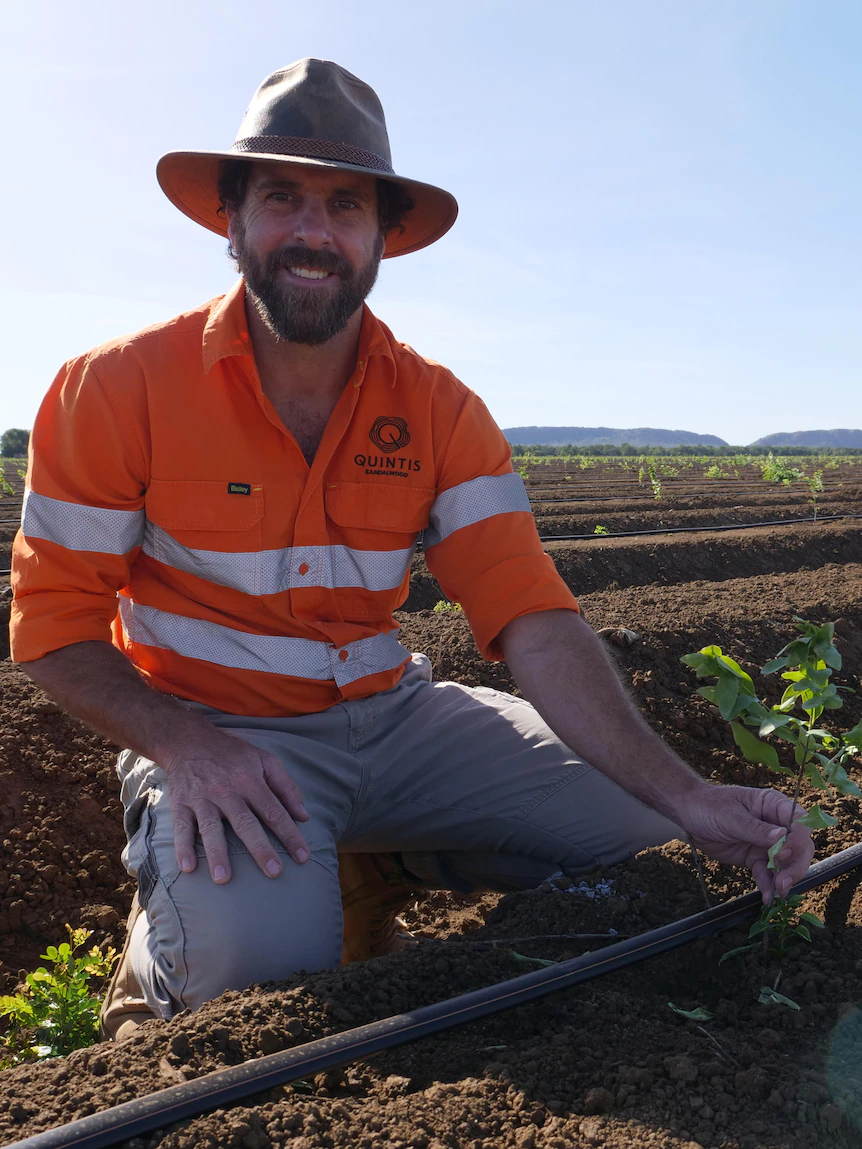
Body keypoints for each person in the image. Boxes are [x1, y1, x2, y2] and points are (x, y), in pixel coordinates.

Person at [10, 59, 814, 1040]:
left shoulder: (439, 409)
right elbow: (51, 629)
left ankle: (373, 857)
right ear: (232, 221)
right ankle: (163, 966)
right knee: (252, 995)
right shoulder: (115, 389)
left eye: (343, 206)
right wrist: (188, 748)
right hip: (227, 739)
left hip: (396, 722)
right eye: (281, 199)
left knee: (653, 851)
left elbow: (531, 615)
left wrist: (688, 795)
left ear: (381, 235)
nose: (313, 233)